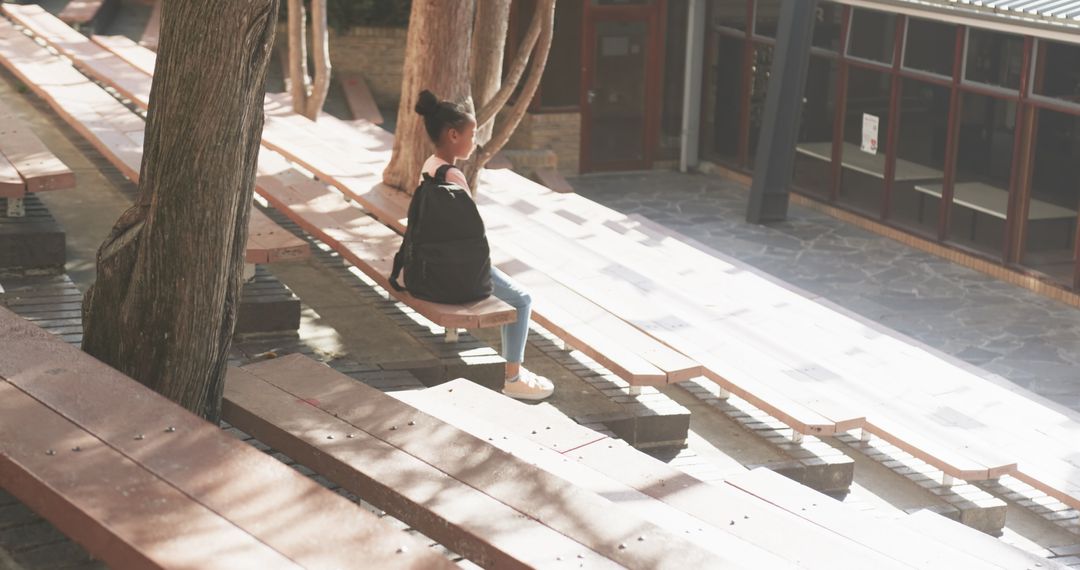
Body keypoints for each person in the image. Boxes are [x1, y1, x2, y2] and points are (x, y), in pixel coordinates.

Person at [414, 89, 555, 401]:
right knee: (521, 299)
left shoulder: (430, 165)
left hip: (431, 264)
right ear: (453, 135)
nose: (474, 140)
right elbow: (469, 238)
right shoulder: (454, 177)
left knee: (510, 289)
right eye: (471, 133)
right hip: (455, 272)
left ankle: (515, 374)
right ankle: (514, 378)